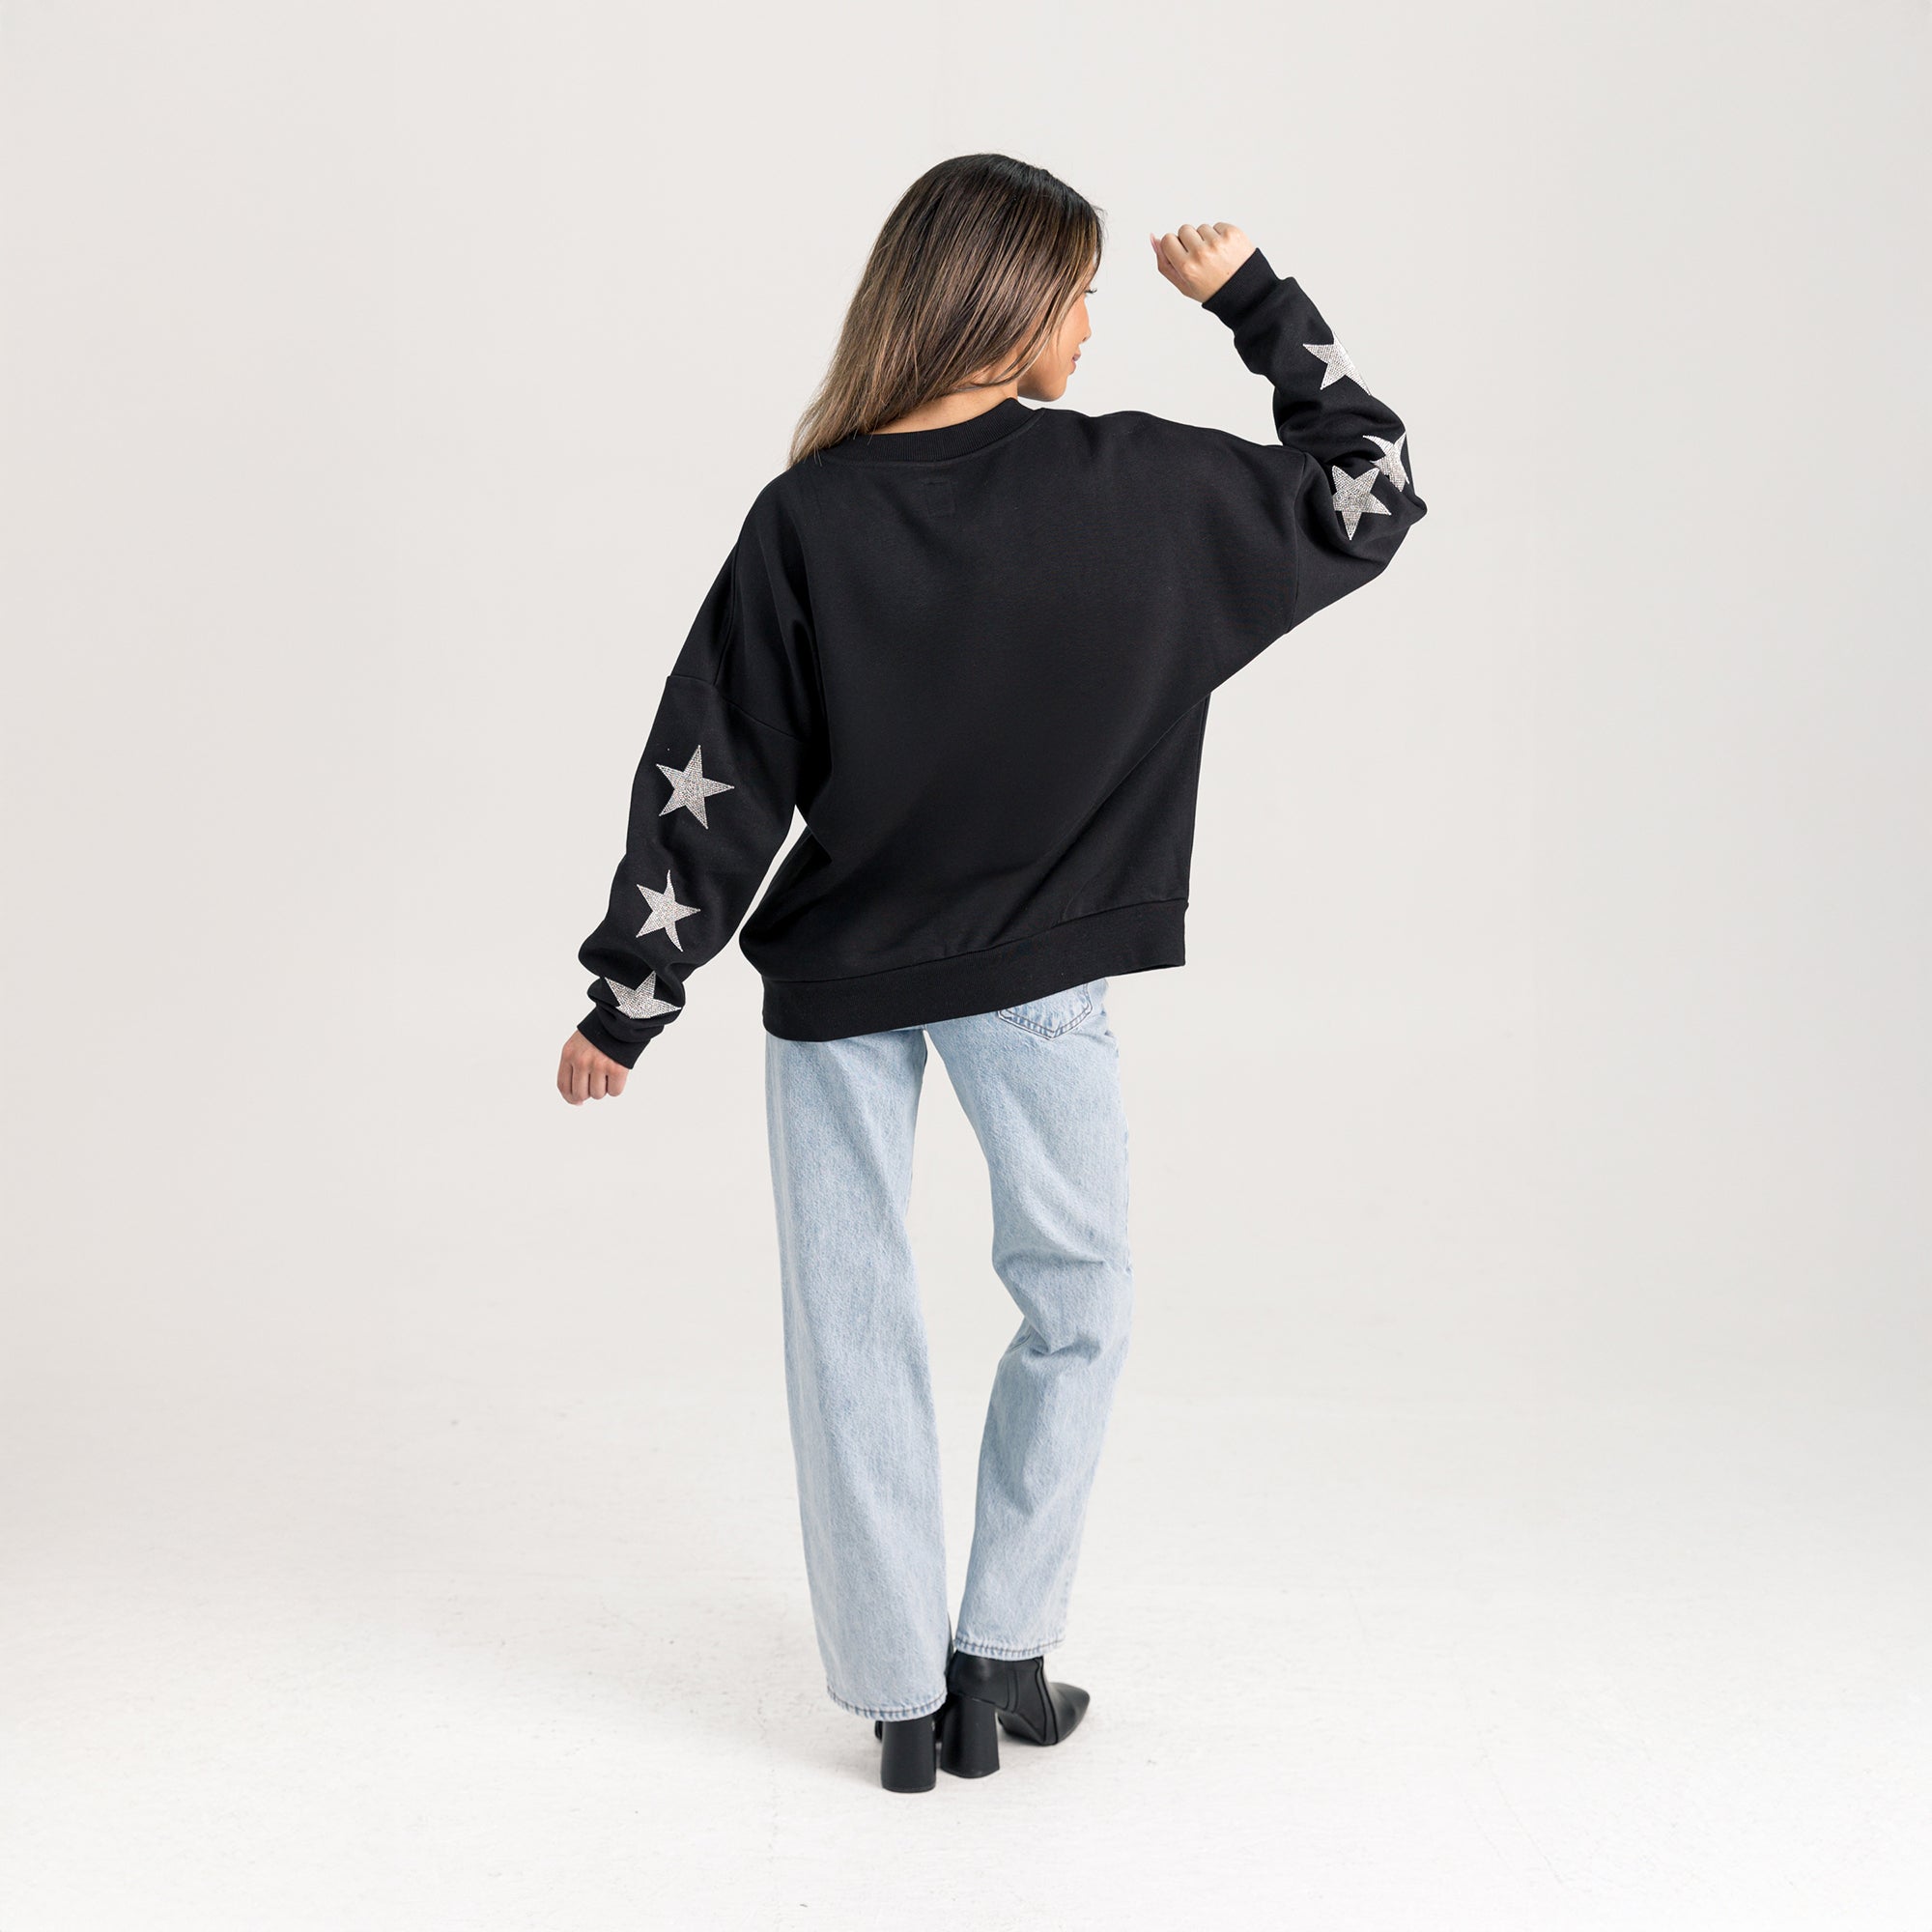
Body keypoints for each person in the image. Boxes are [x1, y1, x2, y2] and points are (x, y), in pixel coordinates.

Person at [555, 154, 1427, 1793]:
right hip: (1038, 976)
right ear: (1008, 304)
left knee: (850, 1323)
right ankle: (998, 1658)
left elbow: (715, 768)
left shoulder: (810, 512)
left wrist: (633, 994)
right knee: (1078, 1301)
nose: (1091, 327)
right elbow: (1371, 486)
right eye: (1078, 296)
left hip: (841, 982)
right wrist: (1252, 301)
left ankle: (904, 1700)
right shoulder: (1140, 488)